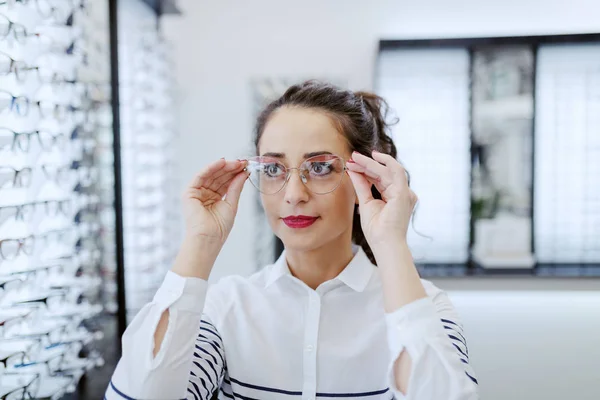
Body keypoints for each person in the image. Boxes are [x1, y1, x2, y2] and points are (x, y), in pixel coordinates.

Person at [105, 80, 479, 400]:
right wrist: (199, 243)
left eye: (319, 168)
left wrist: (392, 245)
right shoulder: (226, 308)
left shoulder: (424, 306)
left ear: (365, 177)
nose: (293, 194)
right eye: (273, 169)